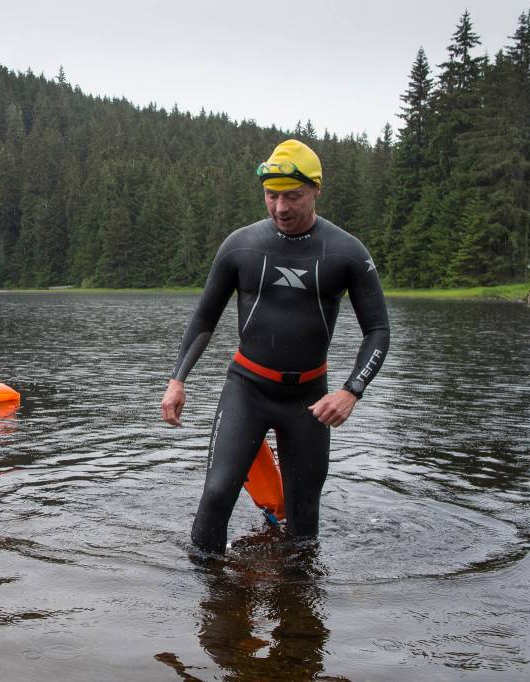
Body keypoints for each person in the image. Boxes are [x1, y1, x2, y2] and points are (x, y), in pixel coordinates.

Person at [161, 139, 390, 554]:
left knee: (304, 521)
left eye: (293, 196)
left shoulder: (347, 252)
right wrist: (177, 380)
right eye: (272, 196)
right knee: (215, 496)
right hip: (246, 389)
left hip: (308, 399)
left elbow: (377, 330)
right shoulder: (241, 245)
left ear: (316, 190)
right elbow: (203, 319)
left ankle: (298, 608)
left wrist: (351, 391)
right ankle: (208, 604)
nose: (281, 208)